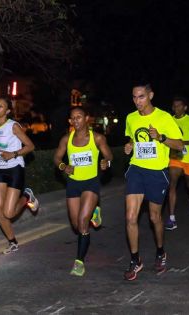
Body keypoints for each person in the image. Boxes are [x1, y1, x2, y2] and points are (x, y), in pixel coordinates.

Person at [123, 82, 183, 281]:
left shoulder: (164, 117)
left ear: (150, 95)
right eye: (134, 97)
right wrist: (129, 146)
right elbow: (132, 139)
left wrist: (161, 137)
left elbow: (180, 144)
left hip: (157, 172)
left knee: (154, 218)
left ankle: (160, 251)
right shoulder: (131, 118)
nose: (137, 101)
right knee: (131, 216)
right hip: (136, 169)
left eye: (141, 96)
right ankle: (135, 259)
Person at [53, 106, 113, 276]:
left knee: (82, 222)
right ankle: (95, 210)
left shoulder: (97, 138)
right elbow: (57, 158)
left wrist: (106, 164)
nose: (76, 121)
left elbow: (109, 157)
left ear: (87, 118)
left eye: (79, 117)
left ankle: (79, 262)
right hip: (73, 184)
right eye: (73, 118)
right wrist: (63, 166)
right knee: (75, 225)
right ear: (70, 121)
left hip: (90, 183)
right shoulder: (66, 139)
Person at [0, 97, 40, 254]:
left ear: (7, 111)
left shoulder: (13, 126)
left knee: (9, 213)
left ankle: (26, 196)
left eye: (1, 106)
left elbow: (31, 146)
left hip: (14, 169)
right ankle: (13, 242)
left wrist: (14, 154)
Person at [165, 96, 189, 231]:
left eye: (179, 106)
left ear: (185, 107)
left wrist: (183, 143)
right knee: (172, 184)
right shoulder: (168, 121)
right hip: (175, 156)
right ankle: (171, 218)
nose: (177, 108)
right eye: (175, 106)